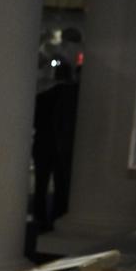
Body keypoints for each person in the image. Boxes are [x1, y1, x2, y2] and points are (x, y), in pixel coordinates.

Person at [32, 63, 79, 231]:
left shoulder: (43, 95)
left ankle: (39, 216)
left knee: (41, 184)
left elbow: (36, 120)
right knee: (61, 183)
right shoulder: (73, 98)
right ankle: (57, 216)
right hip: (61, 146)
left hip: (42, 145)